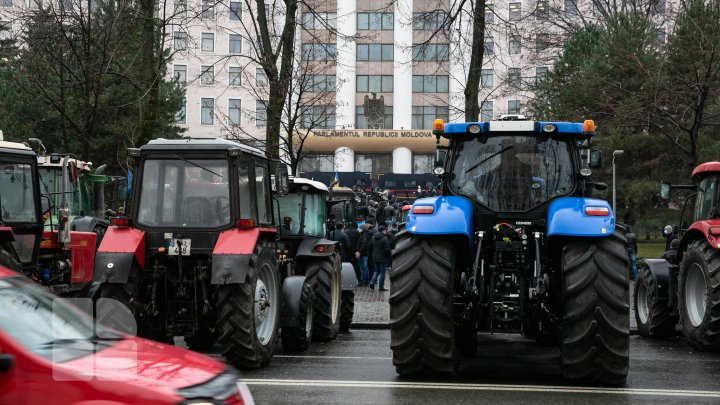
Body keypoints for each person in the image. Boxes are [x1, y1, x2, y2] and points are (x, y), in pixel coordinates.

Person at [369, 225, 392, 291]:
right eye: (385, 230)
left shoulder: (373, 238)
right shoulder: (385, 238)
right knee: (382, 272)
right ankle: (381, 287)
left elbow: (370, 246)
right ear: (383, 230)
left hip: (375, 257)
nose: (386, 231)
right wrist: (388, 257)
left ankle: (372, 283)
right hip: (382, 258)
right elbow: (387, 249)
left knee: (376, 271)